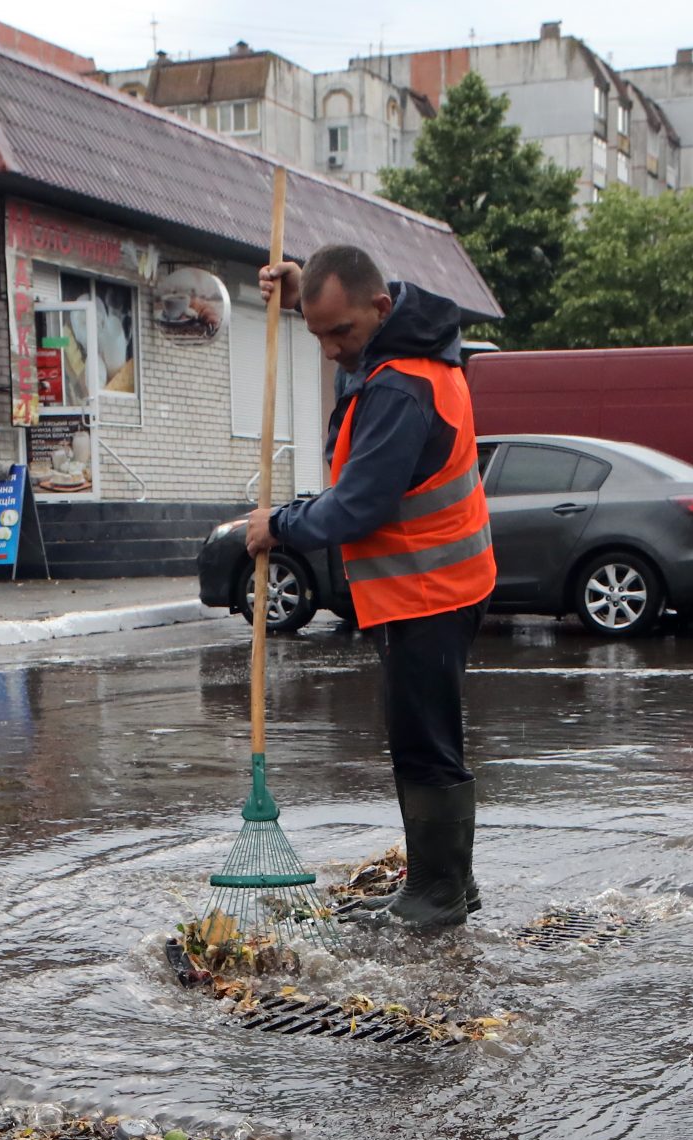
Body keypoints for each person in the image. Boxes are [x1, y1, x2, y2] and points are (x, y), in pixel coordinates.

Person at [246, 244, 494, 930]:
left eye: (341, 332)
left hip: (430, 590)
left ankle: (439, 894)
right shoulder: (404, 347)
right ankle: (446, 882)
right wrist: (304, 289)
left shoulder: (398, 386)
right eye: (316, 332)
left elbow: (359, 505)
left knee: (426, 743)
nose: (329, 349)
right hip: (431, 586)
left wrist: (278, 524)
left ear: (380, 310)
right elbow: (345, 293)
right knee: (421, 736)